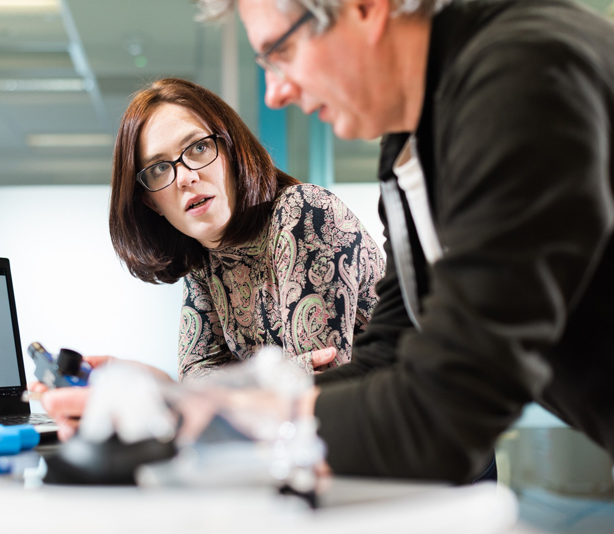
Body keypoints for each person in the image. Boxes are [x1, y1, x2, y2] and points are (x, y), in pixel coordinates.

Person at [194, 0, 614, 482]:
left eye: (281, 51)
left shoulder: (521, 76)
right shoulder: (413, 138)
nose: (276, 92)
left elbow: (445, 409)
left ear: (366, 8)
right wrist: (207, 412)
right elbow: (393, 348)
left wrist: (206, 427)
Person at [35, 77, 385, 439]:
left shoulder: (303, 211)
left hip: (388, 448)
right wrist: (149, 386)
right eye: (159, 169)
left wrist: (186, 396)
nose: (185, 177)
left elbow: (314, 388)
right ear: (150, 201)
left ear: (232, 150)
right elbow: (197, 376)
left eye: (199, 148)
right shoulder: (204, 254)